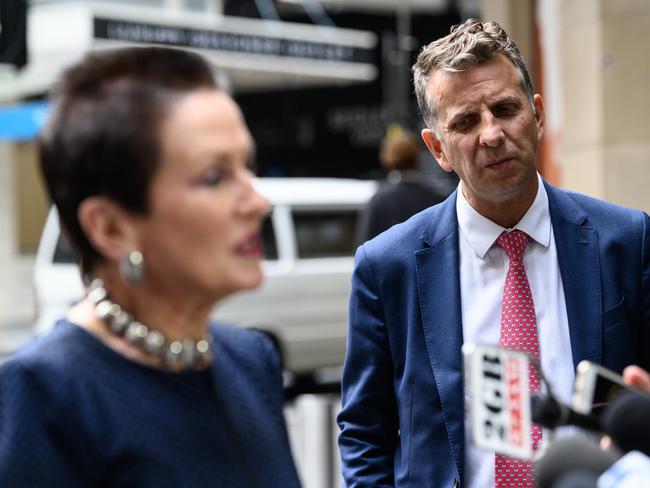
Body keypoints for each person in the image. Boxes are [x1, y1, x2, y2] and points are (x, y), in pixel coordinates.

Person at [337, 18, 650, 488]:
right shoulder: (388, 266)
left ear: (537, 114)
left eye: (505, 109)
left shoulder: (626, 239)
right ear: (437, 149)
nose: (492, 134)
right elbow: (365, 434)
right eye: (465, 121)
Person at [0, 47, 301, 487]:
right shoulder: (46, 391)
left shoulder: (251, 359)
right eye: (214, 177)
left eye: (247, 166)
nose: (258, 201)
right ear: (110, 227)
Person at [356, 125, 446, 242]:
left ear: (387, 158)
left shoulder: (379, 200)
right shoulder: (435, 197)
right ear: (417, 156)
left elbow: (365, 247)